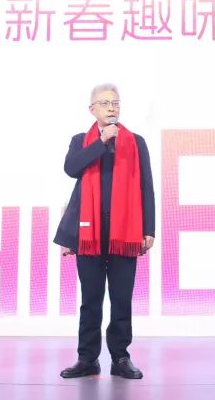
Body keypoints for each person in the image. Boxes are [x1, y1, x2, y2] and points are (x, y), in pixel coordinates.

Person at [54, 84, 155, 379]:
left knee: (122, 299)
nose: (112, 108)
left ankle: (120, 357)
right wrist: (100, 142)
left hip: (126, 231)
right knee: (91, 299)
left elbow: (146, 186)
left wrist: (148, 228)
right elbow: (71, 168)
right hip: (90, 233)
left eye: (115, 103)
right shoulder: (81, 141)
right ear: (92, 109)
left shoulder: (136, 142)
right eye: (105, 103)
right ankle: (87, 359)